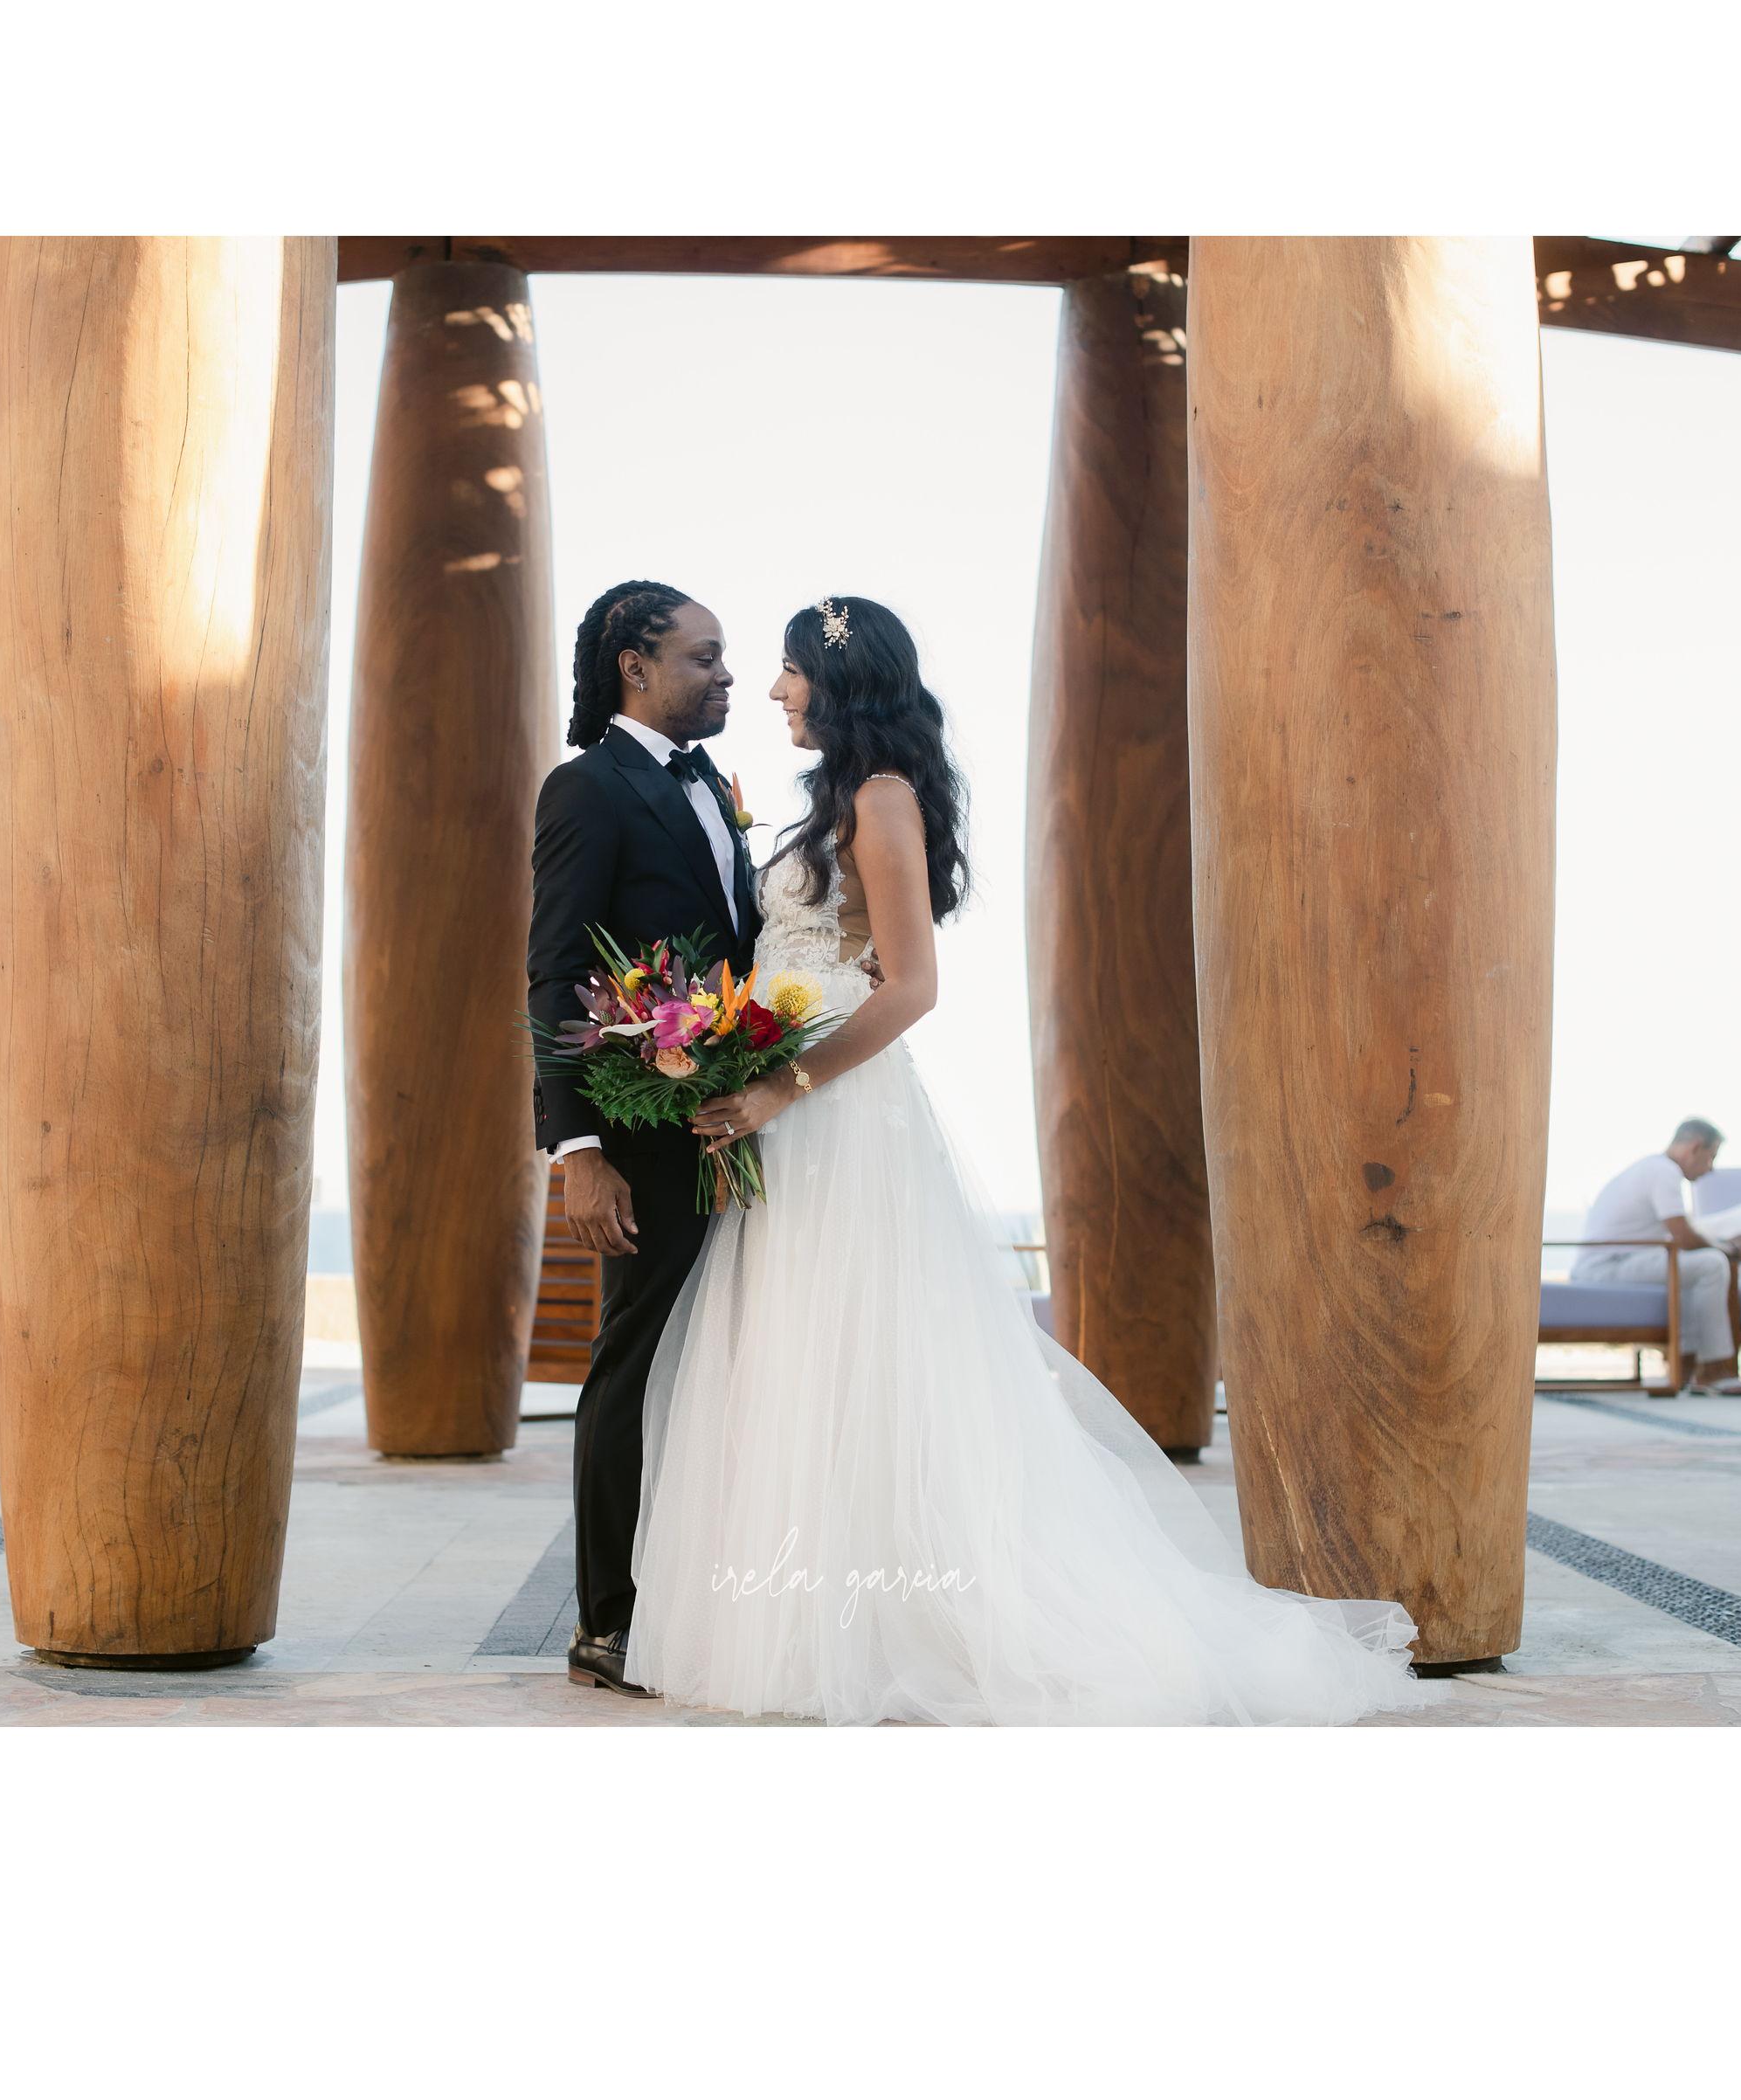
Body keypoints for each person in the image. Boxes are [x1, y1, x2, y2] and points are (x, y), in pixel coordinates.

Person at [620, 594, 1435, 1725]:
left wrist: (778, 1086)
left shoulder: (881, 797)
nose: (772, 691)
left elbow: (912, 985)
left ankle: (898, 1620)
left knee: (864, 1346)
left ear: (839, 681)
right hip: (788, 1112)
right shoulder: (831, 801)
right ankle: (806, 1615)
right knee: (798, 1348)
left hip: (836, 1113)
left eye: (790, 671)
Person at [527, 580, 765, 1697]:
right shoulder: (585, 787)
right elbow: (554, 970)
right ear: (636, 664)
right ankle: (609, 1622)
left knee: (720, 1366)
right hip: (642, 1130)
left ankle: (703, 1602)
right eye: (704, 657)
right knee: (635, 1363)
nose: (726, 675)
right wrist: (577, 1151)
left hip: (733, 1121)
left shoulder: (712, 783)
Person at [1571, 1119, 1741, 1396]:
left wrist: (1724, 1243)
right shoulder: (1664, 1172)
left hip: (1613, 1262)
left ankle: (1685, 1368)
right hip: (1606, 1267)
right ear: (1695, 1148)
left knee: (1694, 1269)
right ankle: (1713, 1369)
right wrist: (1730, 1250)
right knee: (1713, 1265)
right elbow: (1684, 1236)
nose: (1711, 1168)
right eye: (1711, 1157)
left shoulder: (1653, 1167)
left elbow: (1682, 1237)